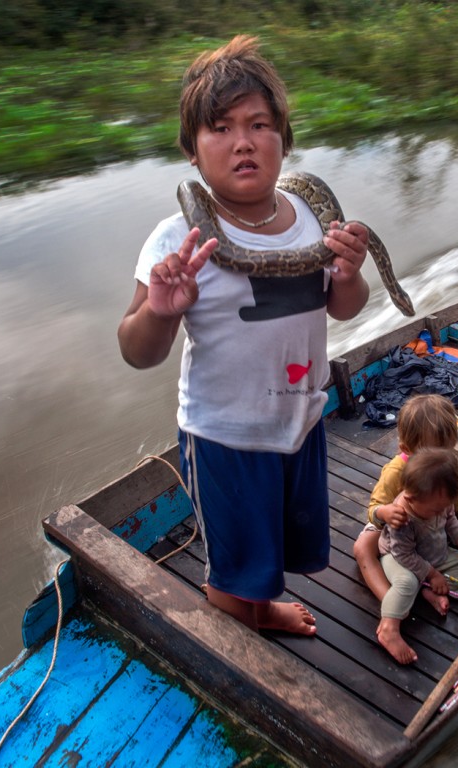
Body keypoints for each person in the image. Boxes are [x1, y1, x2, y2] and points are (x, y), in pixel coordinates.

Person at [117, 35, 370, 636]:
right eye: (221, 128)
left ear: (283, 138)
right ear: (192, 149)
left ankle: (262, 607)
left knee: (274, 542)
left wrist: (350, 275)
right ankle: (244, 628)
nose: (244, 142)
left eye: (260, 125)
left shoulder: (312, 216)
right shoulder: (176, 238)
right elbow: (137, 352)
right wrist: (161, 309)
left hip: (302, 419)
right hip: (225, 436)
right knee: (233, 568)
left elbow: (343, 309)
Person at [353, 393, 458, 605]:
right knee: (362, 548)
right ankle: (390, 600)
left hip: (431, 522)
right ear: (406, 449)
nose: (441, 460)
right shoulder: (395, 471)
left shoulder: (443, 461)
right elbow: (374, 507)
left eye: (446, 452)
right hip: (396, 526)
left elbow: (453, 499)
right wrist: (385, 513)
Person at [376, 447, 458, 664]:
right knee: (406, 583)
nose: (440, 512)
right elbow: (404, 554)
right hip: (398, 558)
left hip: (432, 554)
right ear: (410, 498)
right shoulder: (402, 517)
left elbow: (451, 520)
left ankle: (426, 592)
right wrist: (432, 574)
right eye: (435, 510)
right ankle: (388, 628)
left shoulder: (439, 501)